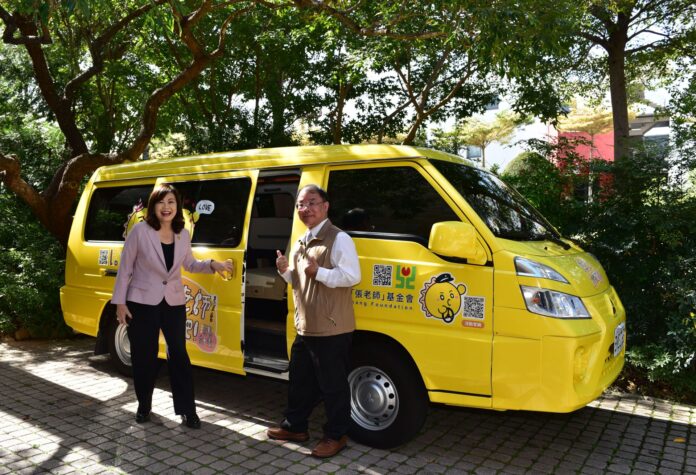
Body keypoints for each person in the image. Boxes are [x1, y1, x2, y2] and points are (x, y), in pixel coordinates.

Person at [112, 184, 232, 428]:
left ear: (177, 206)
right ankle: (144, 406)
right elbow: (125, 269)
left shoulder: (183, 233)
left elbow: (189, 264)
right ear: (153, 206)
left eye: (171, 202)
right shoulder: (140, 231)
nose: (166, 207)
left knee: (179, 355)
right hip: (141, 303)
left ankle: (188, 410)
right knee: (144, 357)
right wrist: (120, 303)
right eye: (161, 202)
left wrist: (212, 264)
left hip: (173, 302)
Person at [267, 184, 361, 458]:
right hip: (306, 325)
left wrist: (320, 272)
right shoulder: (301, 240)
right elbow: (299, 281)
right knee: (300, 381)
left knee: (333, 386)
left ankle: (336, 435)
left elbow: (352, 276)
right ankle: (295, 427)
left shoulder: (339, 238)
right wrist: (285, 271)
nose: (305, 209)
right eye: (300, 204)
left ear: (325, 206)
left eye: (311, 202)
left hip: (332, 327)